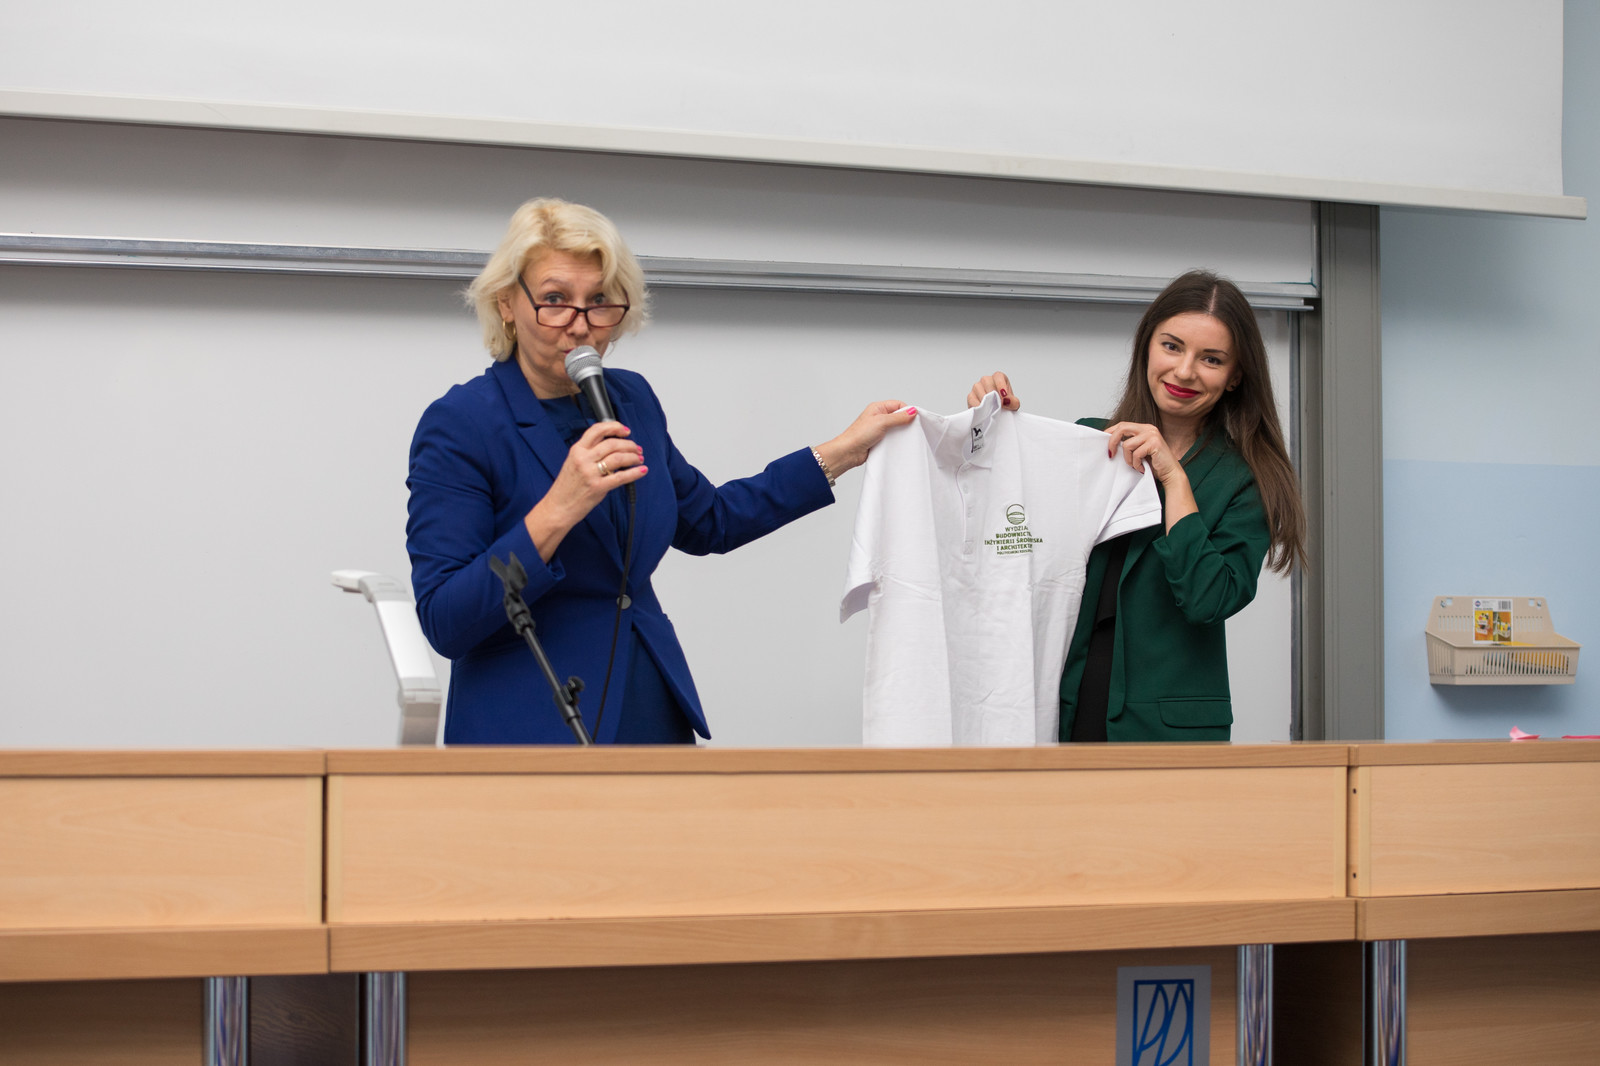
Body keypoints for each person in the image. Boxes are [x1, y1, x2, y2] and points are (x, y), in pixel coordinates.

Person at [408, 198, 914, 744]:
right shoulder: (462, 423)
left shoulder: (630, 399)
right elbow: (445, 619)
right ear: (507, 303)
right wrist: (558, 509)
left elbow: (710, 521)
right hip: (530, 723)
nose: (581, 325)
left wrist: (841, 452)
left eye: (598, 301)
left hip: (647, 706)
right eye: (555, 300)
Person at [967, 270, 1306, 742]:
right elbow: (1006, 531)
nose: (1184, 371)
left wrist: (1174, 478)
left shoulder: (1245, 478)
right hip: (1069, 706)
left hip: (1169, 733)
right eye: (1172, 346)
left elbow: (1209, 600)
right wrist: (989, 426)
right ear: (1146, 346)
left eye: (1211, 359)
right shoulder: (1091, 441)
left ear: (1235, 377)